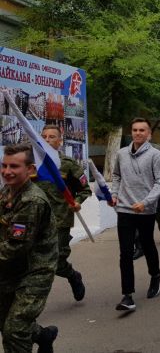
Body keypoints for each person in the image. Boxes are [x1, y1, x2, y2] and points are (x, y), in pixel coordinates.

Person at [0, 143, 59, 352]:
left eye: (14, 167)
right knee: (7, 322)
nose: (7, 172)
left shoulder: (31, 200)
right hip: (10, 269)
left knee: (14, 331)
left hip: (35, 271)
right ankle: (43, 336)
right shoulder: (7, 192)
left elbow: (15, 247)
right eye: (4, 165)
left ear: (31, 170)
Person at [109, 118, 160, 312]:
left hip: (145, 209)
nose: (138, 133)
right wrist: (115, 194)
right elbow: (116, 175)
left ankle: (155, 275)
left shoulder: (155, 155)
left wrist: (146, 202)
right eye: (135, 130)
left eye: (142, 130)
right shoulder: (121, 153)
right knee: (125, 252)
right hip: (125, 209)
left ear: (149, 133)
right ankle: (127, 295)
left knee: (147, 244)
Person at [36, 125, 91, 302]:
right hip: (35, 220)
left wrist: (77, 202)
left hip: (60, 220)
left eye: (51, 137)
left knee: (58, 262)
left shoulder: (67, 164)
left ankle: (73, 276)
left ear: (59, 142)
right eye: (43, 136)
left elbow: (85, 189)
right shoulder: (32, 164)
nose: (46, 139)